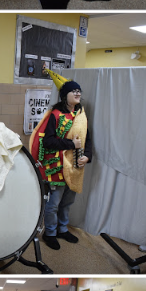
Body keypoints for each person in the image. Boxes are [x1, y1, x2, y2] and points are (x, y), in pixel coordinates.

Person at [30, 73, 93, 252]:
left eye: (79, 91)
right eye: (74, 91)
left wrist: (86, 156)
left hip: (74, 166)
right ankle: (50, 233)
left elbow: (88, 140)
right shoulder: (55, 115)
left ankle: (62, 229)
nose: (78, 94)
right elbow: (47, 140)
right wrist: (71, 144)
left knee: (68, 201)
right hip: (56, 166)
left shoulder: (81, 115)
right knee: (54, 203)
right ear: (65, 95)